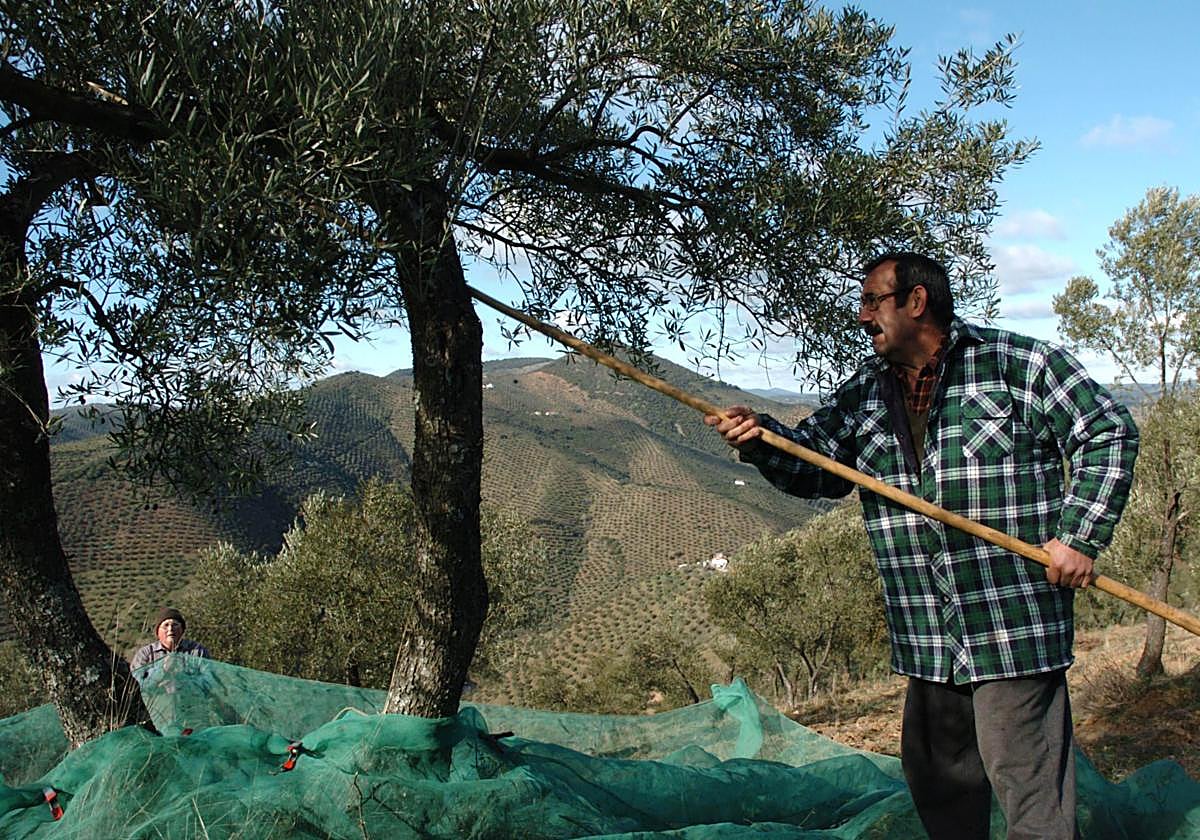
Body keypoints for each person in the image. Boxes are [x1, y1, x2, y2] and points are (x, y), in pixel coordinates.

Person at [705, 252, 1138, 839]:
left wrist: (1079, 536)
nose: (861, 317)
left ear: (915, 302)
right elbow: (817, 469)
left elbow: (1107, 429)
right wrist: (759, 438)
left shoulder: (1016, 364)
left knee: (1031, 799)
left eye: (871, 301)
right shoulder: (866, 394)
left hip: (1010, 627)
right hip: (928, 635)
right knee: (938, 787)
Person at [130, 607, 210, 671]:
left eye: (175, 625)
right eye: (166, 625)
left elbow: (208, 680)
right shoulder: (145, 654)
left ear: (182, 629)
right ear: (158, 631)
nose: (170, 629)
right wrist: (162, 671)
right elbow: (137, 683)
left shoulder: (198, 651)